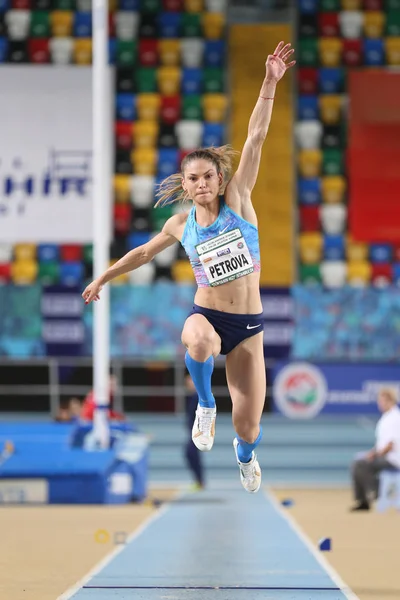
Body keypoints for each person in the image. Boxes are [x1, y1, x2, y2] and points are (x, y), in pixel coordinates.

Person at [83, 41, 295, 493]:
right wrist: (103, 276)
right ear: (186, 184)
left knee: (248, 426)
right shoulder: (180, 224)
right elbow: (142, 254)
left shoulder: (238, 202)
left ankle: (245, 454)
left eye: (208, 177)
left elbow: (256, 137)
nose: (201, 184)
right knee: (196, 337)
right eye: (192, 178)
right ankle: (204, 404)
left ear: (220, 180)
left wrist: (269, 83)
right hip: (209, 315)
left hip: (249, 326)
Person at [350, 388, 400, 511]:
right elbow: (381, 443)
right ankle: (363, 501)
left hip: (393, 459)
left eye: (382, 401)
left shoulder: (395, 418)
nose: (380, 404)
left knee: (361, 464)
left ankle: (377, 491)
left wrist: (375, 455)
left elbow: (390, 445)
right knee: (358, 461)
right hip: (384, 456)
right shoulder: (386, 418)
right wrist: (372, 452)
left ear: (390, 401)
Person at [184, 373, 205, 490]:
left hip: (198, 432)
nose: (188, 384)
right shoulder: (192, 396)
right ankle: (199, 480)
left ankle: (200, 480)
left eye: (190, 381)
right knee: (191, 454)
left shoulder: (199, 397)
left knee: (191, 453)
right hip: (193, 431)